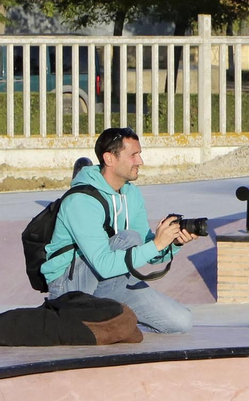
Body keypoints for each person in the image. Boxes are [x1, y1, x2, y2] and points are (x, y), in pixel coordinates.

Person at [40, 127, 196, 333]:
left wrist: (171, 243)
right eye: (133, 155)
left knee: (181, 322)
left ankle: (110, 317)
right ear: (109, 158)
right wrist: (156, 244)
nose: (140, 161)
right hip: (70, 287)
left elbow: (147, 253)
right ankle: (104, 320)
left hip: (114, 279)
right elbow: (104, 264)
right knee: (129, 237)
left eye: (139, 154)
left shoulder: (132, 194)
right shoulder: (80, 200)